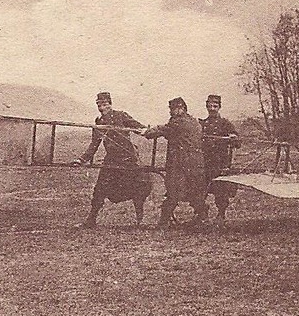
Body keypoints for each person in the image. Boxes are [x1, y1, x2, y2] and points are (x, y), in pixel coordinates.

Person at [76, 92, 152, 227]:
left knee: (138, 188)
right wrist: (82, 159)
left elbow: (138, 127)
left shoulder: (121, 115)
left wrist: (148, 131)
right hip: (111, 160)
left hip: (129, 159)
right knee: (99, 190)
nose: (102, 107)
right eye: (99, 104)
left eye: (105, 104)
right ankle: (91, 220)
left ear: (110, 104)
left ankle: (141, 219)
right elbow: (94, 143)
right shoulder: (99, 122)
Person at [143, 97, 208, 227]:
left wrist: (146, 132)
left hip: (181, 163)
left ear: (181, 109)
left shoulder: (179, 122)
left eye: (173, 109)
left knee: (173, 191)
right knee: (193, 192)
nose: (171, 112)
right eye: (170, 109)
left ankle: (163, 221)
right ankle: (202, 217)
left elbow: (161, 130)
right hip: (195, 164)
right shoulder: (193, 121)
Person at [199, 94, 241, 221]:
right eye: (210, 106)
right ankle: (201, 214)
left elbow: (237, 142)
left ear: (219, 107)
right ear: (206, 107)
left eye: (215, 106)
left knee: (220, 189)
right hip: (205, 161)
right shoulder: (202, 124)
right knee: (201, 189)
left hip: (220, 161)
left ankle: (221, 214)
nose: (212, 108)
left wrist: (233, 137)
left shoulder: (225, 123)